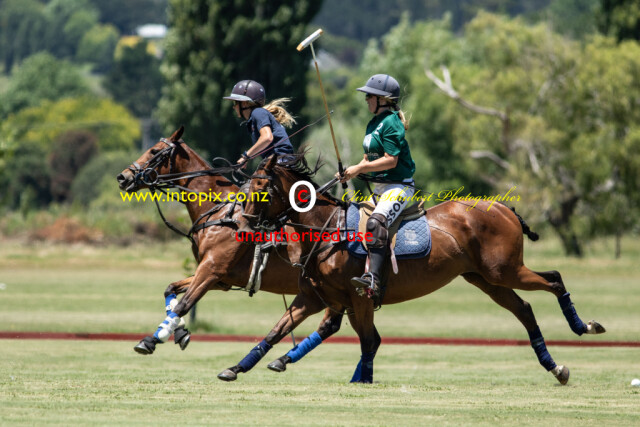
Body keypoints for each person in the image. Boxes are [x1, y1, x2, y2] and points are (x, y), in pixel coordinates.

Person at [337, 74, 416, 298]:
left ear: (383, 99)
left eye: (369, 96)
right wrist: (350, 171)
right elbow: (367, 160)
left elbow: (391, 160)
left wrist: (359, 169)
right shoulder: (373, 123)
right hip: (380, 188)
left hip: (398, 187)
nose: (366, 100)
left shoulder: (391, 122)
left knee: (375, 223)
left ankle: (374, 279)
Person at [223, 80, 296, 166]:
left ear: (244, 103)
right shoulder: (256, 116)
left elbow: (267, 138)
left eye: (235, 102)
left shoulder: (257, 112)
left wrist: (246, 156)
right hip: (278, 160)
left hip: (280, 159)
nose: (234, 106)